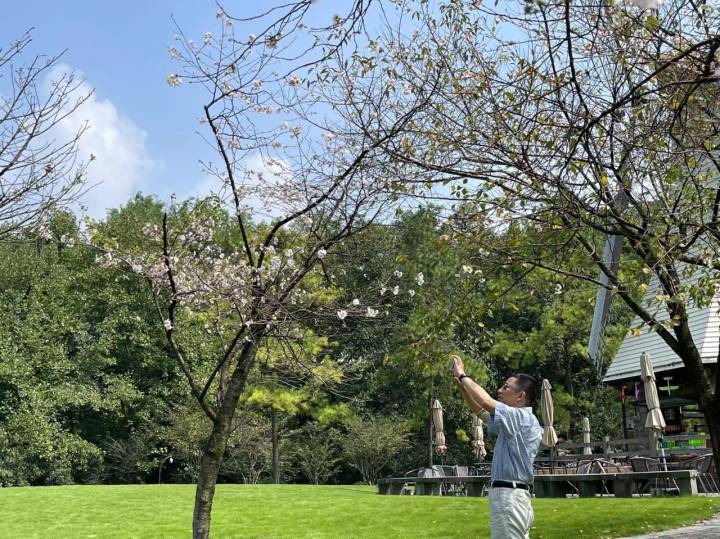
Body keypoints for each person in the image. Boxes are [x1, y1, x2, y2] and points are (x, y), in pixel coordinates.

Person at [451, 355, 543, 539]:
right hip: (514, 497)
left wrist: (462, 375)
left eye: (506, 387)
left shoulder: (520, 418)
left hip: (509, 498)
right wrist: (464, 391)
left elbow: (486, 402)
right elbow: (481, 412)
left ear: (520, 396)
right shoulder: (513, 421)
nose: (499, 390)